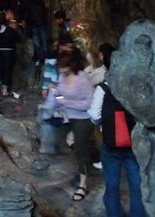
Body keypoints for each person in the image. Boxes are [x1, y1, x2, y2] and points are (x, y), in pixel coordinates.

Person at [88, 46, 146, 217]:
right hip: (133, 143)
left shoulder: (104, 88)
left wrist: (101, 123)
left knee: (112, 186)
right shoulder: (135, 86)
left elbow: (94, 114)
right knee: (137, 187)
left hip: (111, 144)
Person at [39, 51, 95, 202]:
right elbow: (60, 98)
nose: (60, 70)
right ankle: (84, 157)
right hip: (66, 116)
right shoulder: (63, 78)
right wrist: (55, 92)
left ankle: (83, 184)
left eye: (63, 67)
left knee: (80, 150)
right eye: (60, 66)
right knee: (60, 138)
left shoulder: (82, 79)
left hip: (83, 118)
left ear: (71, 65)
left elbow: (89, 103)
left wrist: (67, 103)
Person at [0, 9, 20, 96]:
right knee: (7, 70)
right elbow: (18, 38)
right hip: (8, 51)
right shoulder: (9, 30)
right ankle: (4, 90)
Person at [26, 0, 50, 64]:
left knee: (44, 42)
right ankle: (41, 58)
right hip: (33, 25)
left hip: (42, 24)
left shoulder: (40, 1)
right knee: (37, 43)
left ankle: (47, 58)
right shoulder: (28, 2)